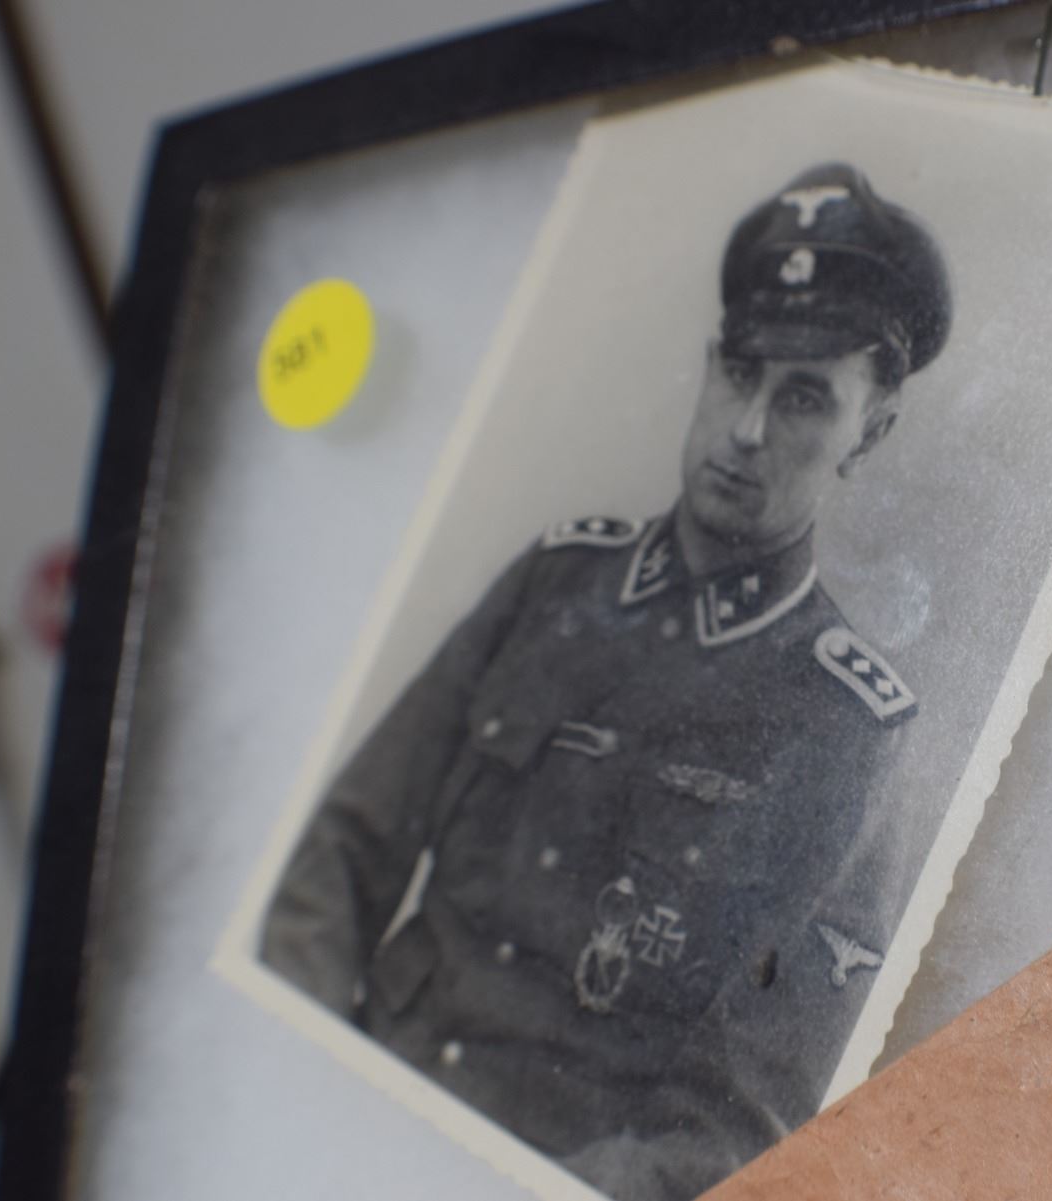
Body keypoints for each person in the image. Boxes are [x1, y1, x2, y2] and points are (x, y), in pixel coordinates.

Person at [260, 163, 951, 1201]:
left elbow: (743, 1116)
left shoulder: (844, 724)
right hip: (350, 1105)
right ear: (710, 366)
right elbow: (342, 851)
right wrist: (291, 1065)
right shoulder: (555, 581)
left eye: (805, 397)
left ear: (871, 433)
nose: (748, 429)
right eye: (741, 373)